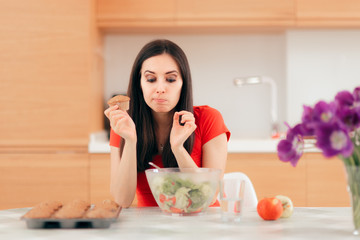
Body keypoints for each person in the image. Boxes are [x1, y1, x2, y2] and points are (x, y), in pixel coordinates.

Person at [104, 39, 230, 208]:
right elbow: (122, 201)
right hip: (150, 230)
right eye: (150, 79)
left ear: (183, 83)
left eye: (170, 79)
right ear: (139, 83)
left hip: (201, 225)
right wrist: (131, 141)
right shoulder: (123, 124)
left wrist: (178, 148)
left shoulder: (209, 119)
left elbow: (208, 198)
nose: (160, 88)